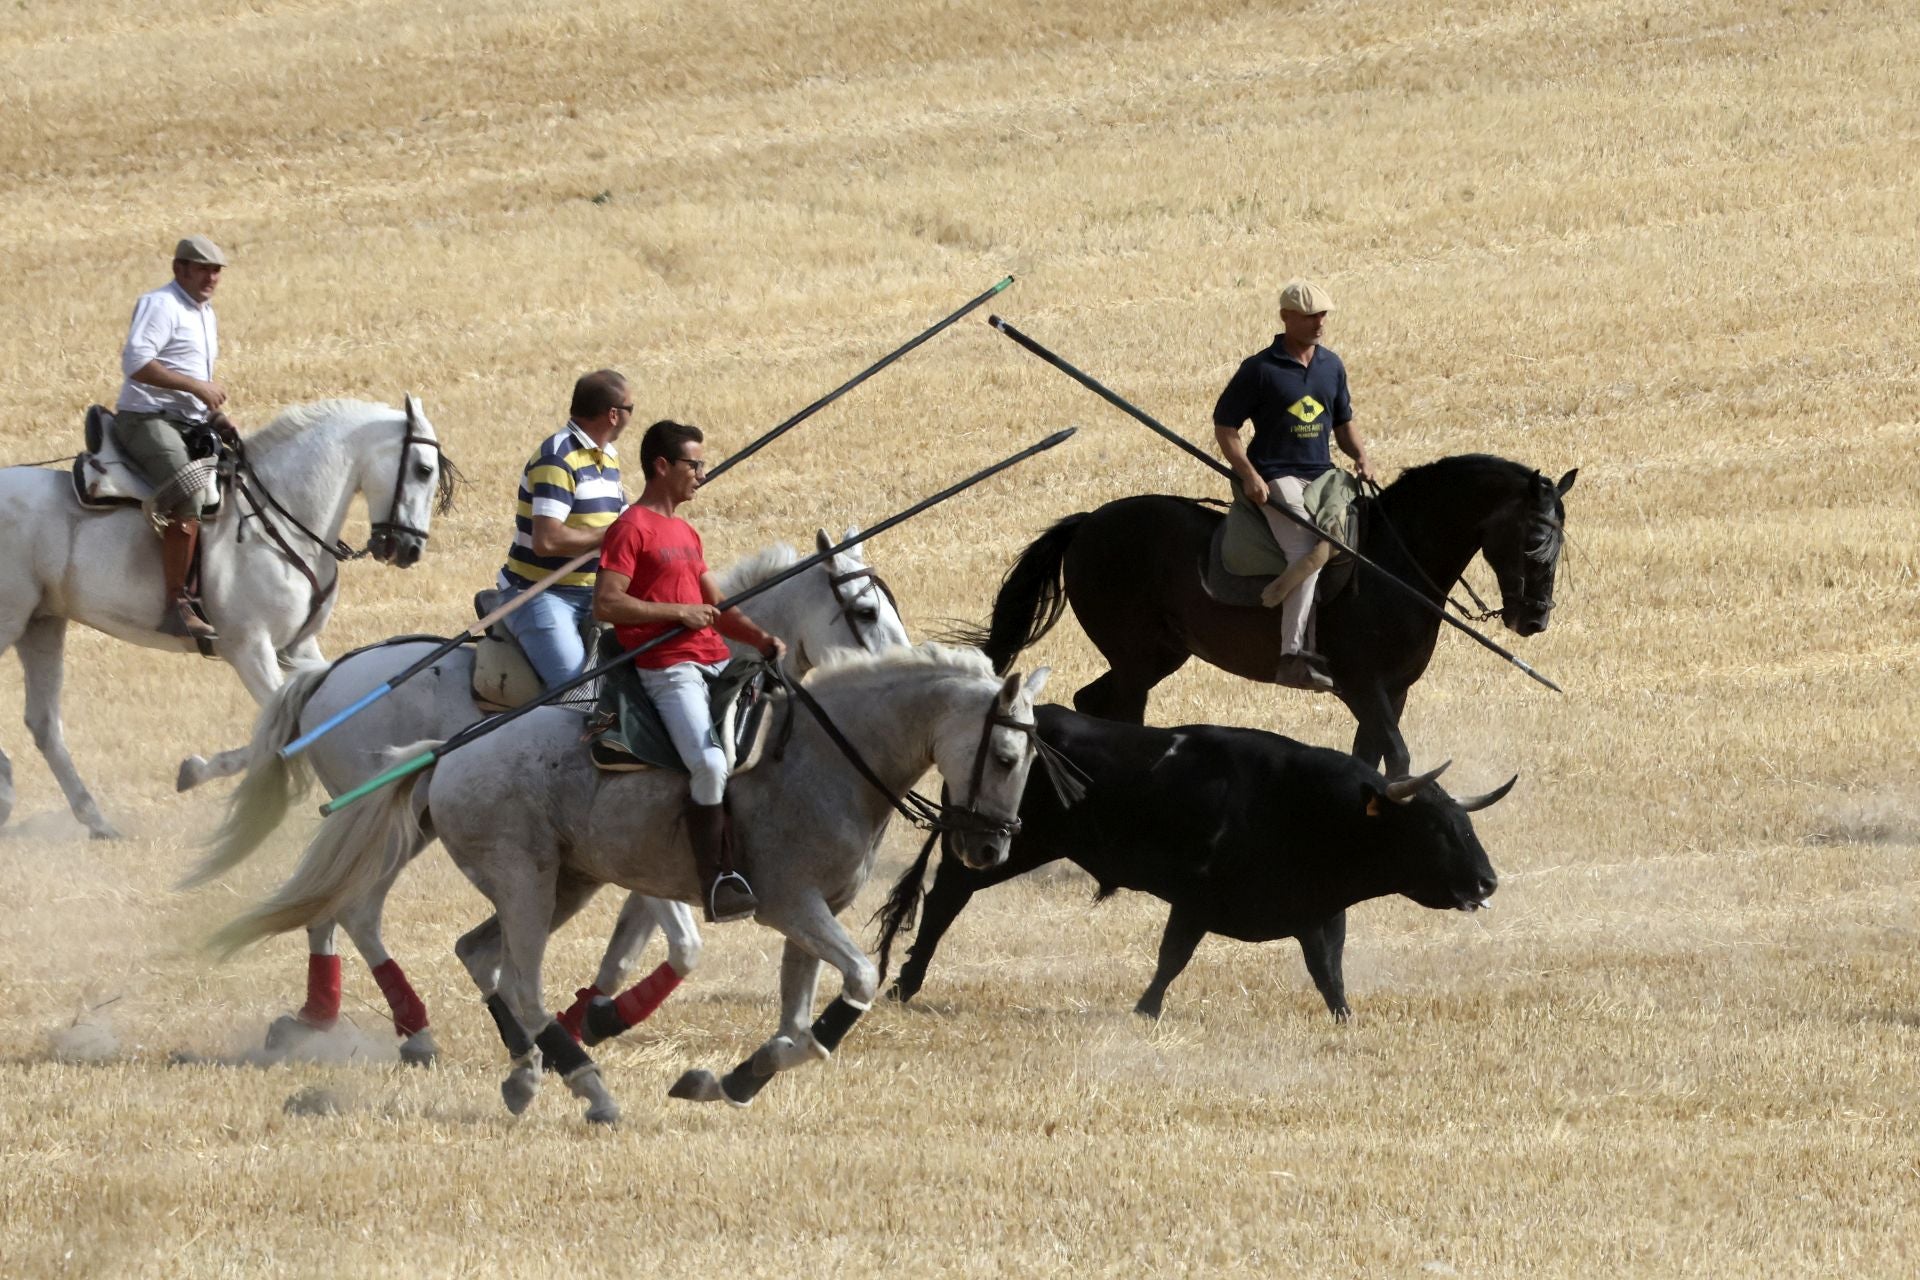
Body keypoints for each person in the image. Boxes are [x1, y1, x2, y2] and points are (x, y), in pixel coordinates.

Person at [593, 420, 784, 923]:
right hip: (668, 668)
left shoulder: (684, 531)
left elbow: (718, 606)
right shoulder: (630, 527)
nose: (702, 473)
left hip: (715, 657)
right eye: (694, 464)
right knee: (710, 764)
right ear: (662, 467)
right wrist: (677, 615)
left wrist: (760, 638)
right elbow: (607, 604)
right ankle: (717, 879)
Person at [1212, 279, 1377, 693]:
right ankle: (1292, 655)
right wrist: (1249, 475)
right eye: (1310, 316)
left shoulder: (1331, 366)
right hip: (1277, 476)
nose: (1319, 323)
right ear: (1286, 317)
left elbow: (1343, 423)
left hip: (1324, 477)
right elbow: (1226, 426)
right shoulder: (1260, 369)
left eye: (1323, 315)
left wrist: (1360, 455)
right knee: (1307, 549)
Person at [114, 235, 230, 641]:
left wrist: (214, 416)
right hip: (145, 417)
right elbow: (136, 362)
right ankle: (177, 605)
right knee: (190, 493)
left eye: (216, 270)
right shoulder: (161, 304)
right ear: (179, 269)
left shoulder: (205, 313)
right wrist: (198, 388)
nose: (211, 277)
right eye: (203, 268)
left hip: (187, 421)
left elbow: (189, 376)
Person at [497, 370, 632, 688]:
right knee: (577, 690)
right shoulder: (558, 460)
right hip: (540, 595)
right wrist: (610, 535)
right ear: (613, 415)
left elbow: (624, 521)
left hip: (595, 591)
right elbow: (547, 541)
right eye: (630, 409)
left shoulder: (607, 457)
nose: (631, 417)